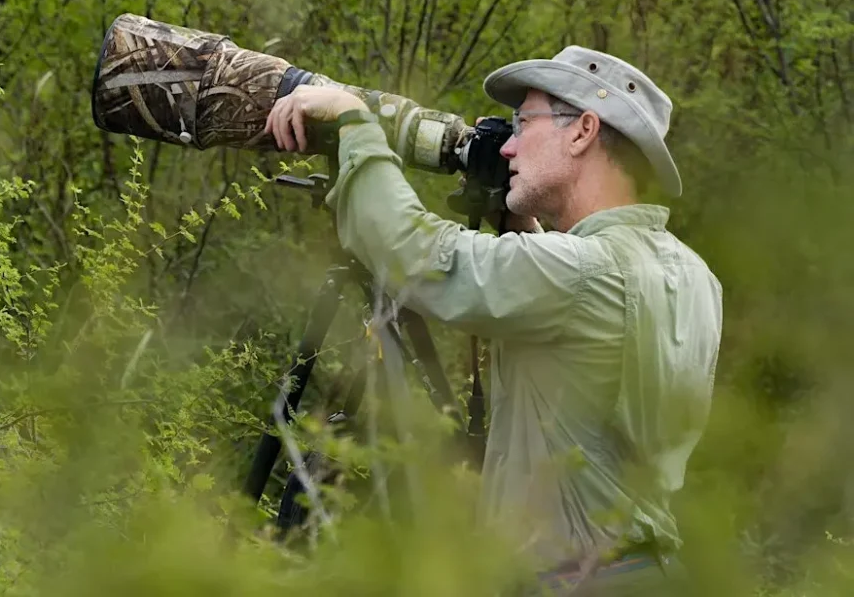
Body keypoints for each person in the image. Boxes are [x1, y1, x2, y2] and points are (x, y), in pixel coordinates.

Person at [265, 47, 723, 595]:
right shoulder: (690, 274)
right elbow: (581, 339)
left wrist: (354, 120)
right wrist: (515, 222)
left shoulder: (582, 273)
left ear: (582, 131)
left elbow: (416, 255)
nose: (506, 146)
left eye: (520, 123)